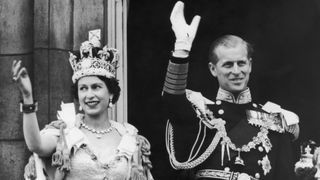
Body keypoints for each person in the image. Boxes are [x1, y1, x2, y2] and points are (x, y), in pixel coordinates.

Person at [162, 1, 300, 180]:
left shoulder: (274, 120)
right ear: (213, 69)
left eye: (241, 63)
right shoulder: (203, 115)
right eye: (227, 64)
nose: (236, 71)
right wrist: (181, 50)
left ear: (250, 65)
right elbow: (172, 101)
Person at [12, 34, 153, 180]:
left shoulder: (128, 136)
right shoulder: (65, 132)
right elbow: (36, 145)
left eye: (96, 87)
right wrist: (28, 98)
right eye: (83, 88)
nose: (89, 94)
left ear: (111, 93)